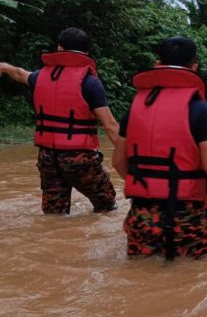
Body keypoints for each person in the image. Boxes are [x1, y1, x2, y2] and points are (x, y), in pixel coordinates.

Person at [112, 36, 207, 260]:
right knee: (192, 284)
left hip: (141, 217)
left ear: (158, 64)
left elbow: (118, 162)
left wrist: (148, 183)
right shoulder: (202, 111)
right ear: (194, 67)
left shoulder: (135, 107)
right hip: (187, 220)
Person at [0, 27, 119, 214]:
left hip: (47, 158)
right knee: (107, 206)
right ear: (86, 53)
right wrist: (129, 156)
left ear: (59, 48)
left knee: (54, 214)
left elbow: (20, 74)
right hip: (78, 158)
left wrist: (4, 67)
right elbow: (110, 126)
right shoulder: (91, 83)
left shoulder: (41, 76)